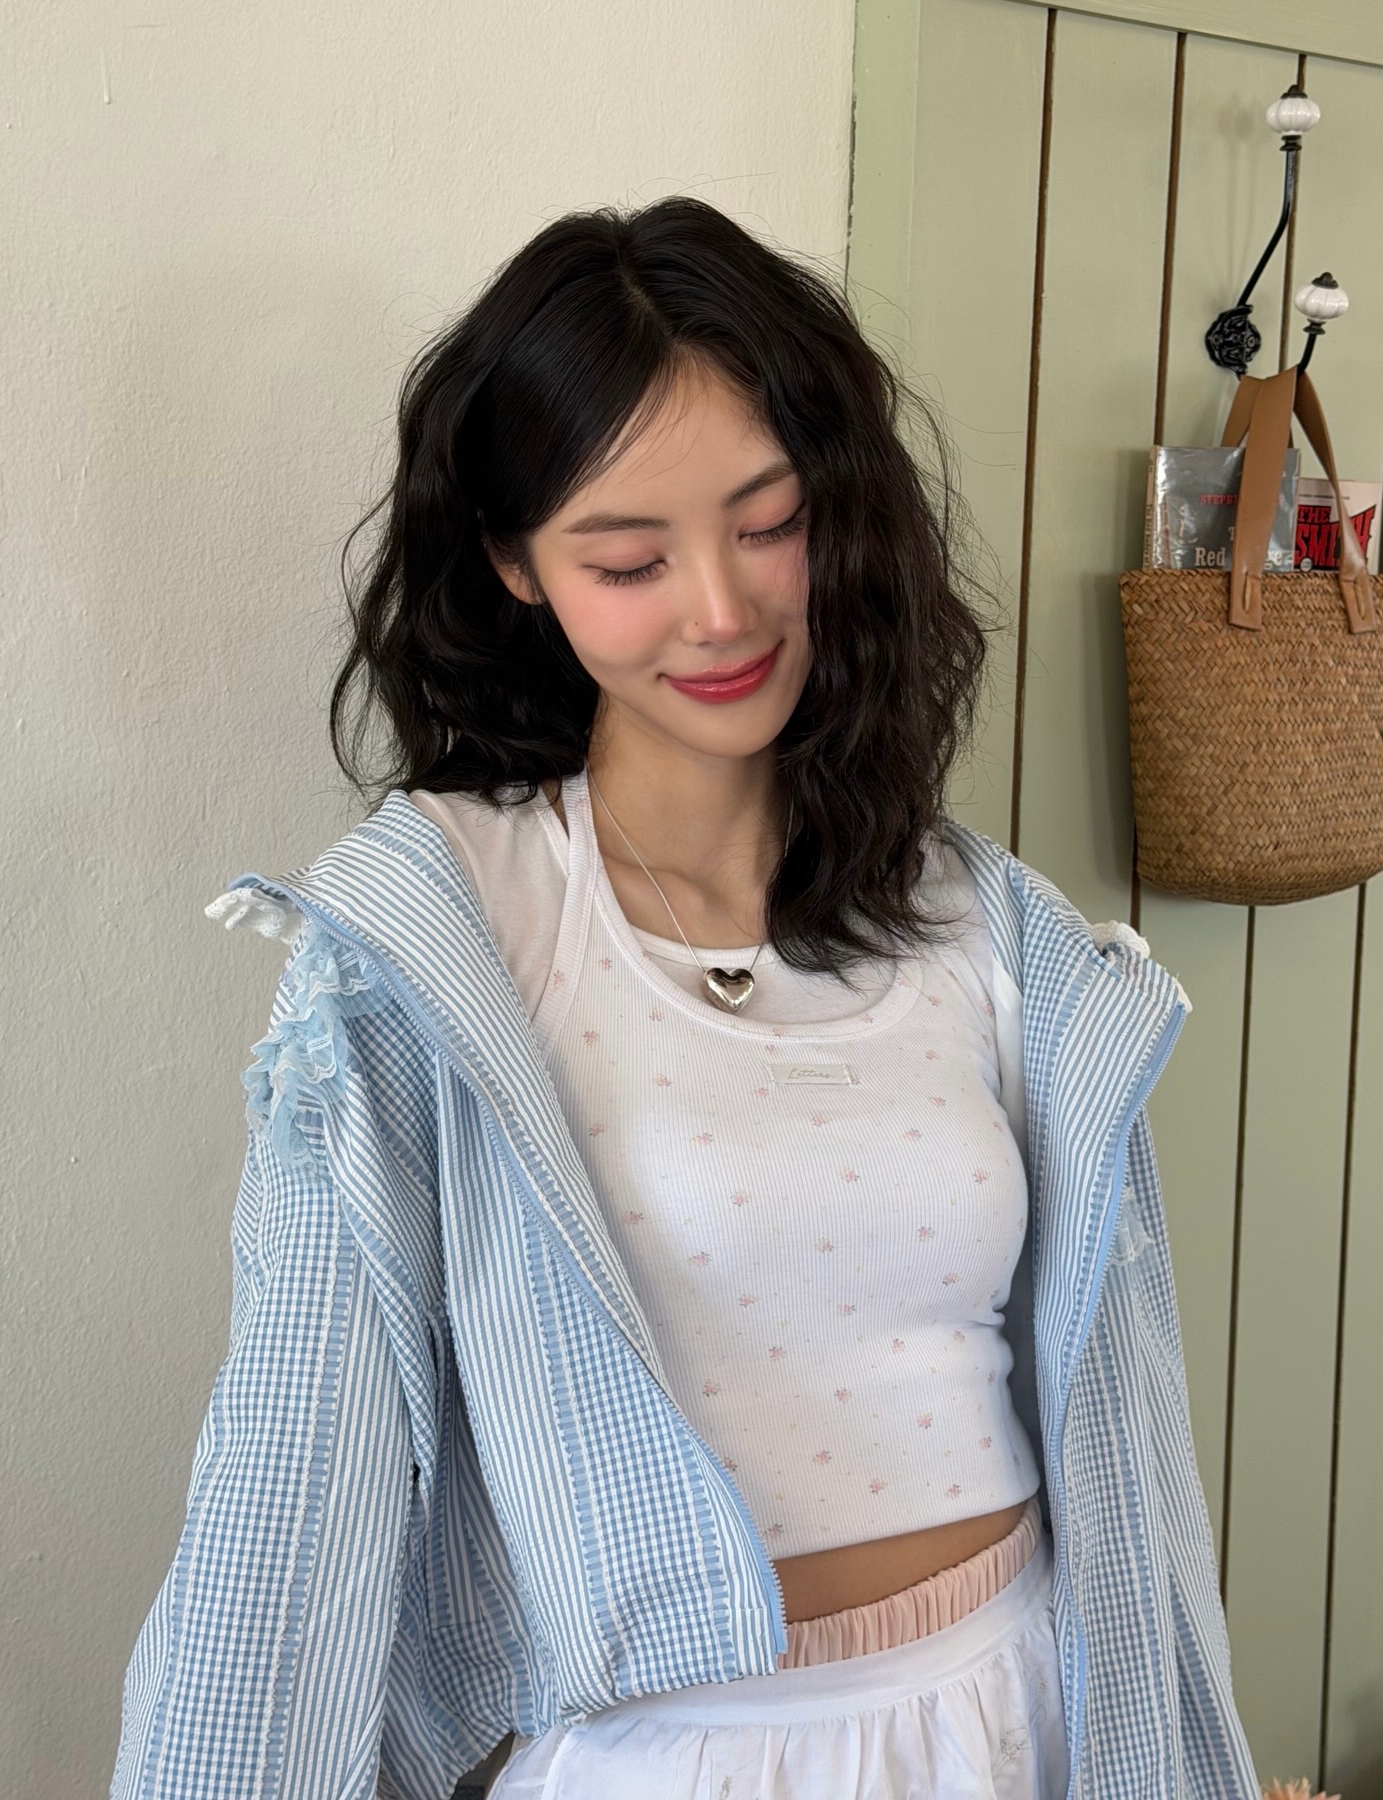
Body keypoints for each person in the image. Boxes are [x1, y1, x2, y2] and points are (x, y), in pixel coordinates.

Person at [109, 198, 1258, 1800]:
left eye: (769, 523)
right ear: (515, 563)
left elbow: (1128, 1452)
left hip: (1022, 1712)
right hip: (675, 1754)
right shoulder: (438, 943)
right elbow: (293, 1477)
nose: (719, 611)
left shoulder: (982, 923)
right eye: (629, 560)